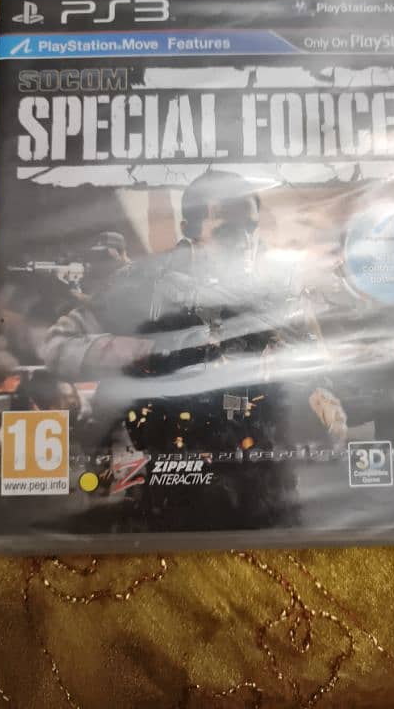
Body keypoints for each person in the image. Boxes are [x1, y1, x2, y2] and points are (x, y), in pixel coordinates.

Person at [43, 171, 347, 531]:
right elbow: (57, 343)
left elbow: (310, 360)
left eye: (250, 228)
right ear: (189, 229)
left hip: (264, 488)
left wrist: (321, 394)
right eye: (227, 230)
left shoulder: (276, 290)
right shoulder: (145, 285)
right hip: (172, 484)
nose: (244, 241)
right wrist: (147, 349)